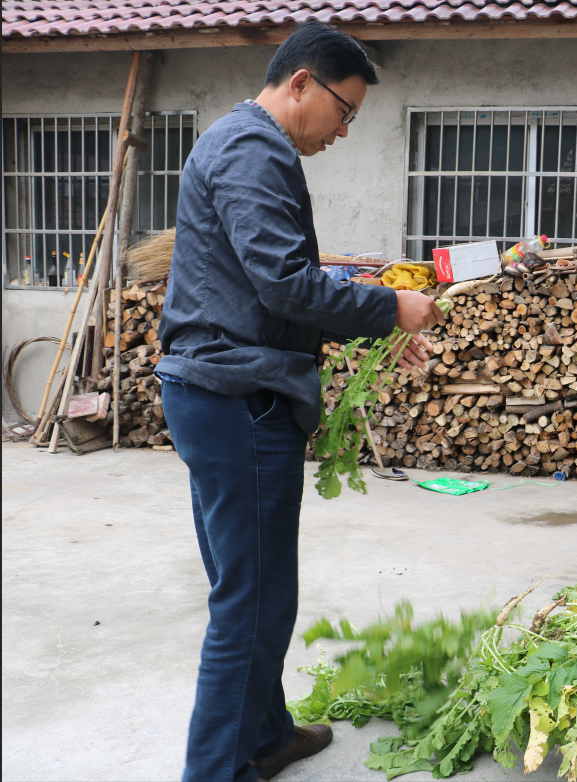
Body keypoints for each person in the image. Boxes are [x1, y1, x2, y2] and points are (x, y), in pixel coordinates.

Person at [156, 22, 442, 782]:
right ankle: (216, 770)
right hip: (235, 400)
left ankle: (267, 734)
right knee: (248, 603)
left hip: (221, 390)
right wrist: (388, 310)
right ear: (302, 83)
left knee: (258, 591)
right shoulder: (253, 149)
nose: (345, 131)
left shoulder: (243, 143)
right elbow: (285, 283)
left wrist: (371, 317)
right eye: (344, 112)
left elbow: (269, 293)